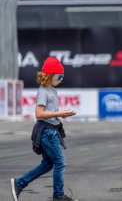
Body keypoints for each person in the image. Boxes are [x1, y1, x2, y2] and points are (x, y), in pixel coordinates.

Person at [11, 57, 78, 201]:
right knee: (60, 163)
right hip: (47, 132)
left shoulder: (52, 90)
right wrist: (60, 113)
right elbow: (39, 114)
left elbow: (49, 112)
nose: (61, 79)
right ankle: (58, 196)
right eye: (59, 76)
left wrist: (61, 115)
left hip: (51, 129)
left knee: (48, 164)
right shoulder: (43, 91)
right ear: (50, 76)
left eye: (62, 76)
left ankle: (19, 184)